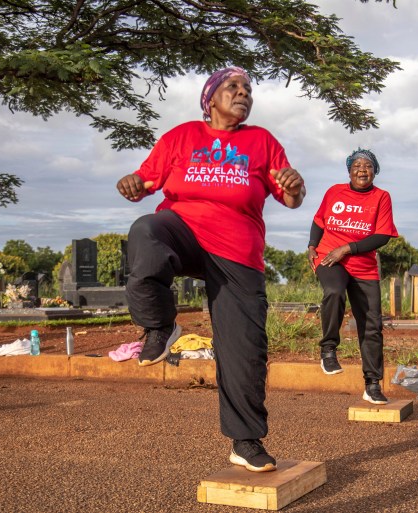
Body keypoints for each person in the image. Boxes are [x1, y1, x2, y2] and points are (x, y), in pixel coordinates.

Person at [116, 66, 305, 473]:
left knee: (245, 350)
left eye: (248, 89)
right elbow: (144, 181)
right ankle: (159, 327)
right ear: (210, 99)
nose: (243, 93)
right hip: (184, 231)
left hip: (237, 250)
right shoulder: (181, 137)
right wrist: (131, 181)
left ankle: (246, 441)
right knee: (146, 230)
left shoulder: (262, 141)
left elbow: (292, 198)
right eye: (233, 87)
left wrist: (294, 185)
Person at [307, 148, 398, 405]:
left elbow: (382, 236)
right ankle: (328, 349)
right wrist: (312, 245)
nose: (362, 169)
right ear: (349, 170)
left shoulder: (381, 197)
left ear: (374, 172)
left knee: (372, 326)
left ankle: (372, 384)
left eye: (368, 166)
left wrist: (346, 248)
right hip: (328, 259)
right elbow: (319, 220)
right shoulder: (334, 191)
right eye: (357, 165)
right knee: (334, 292)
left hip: (363, 266)